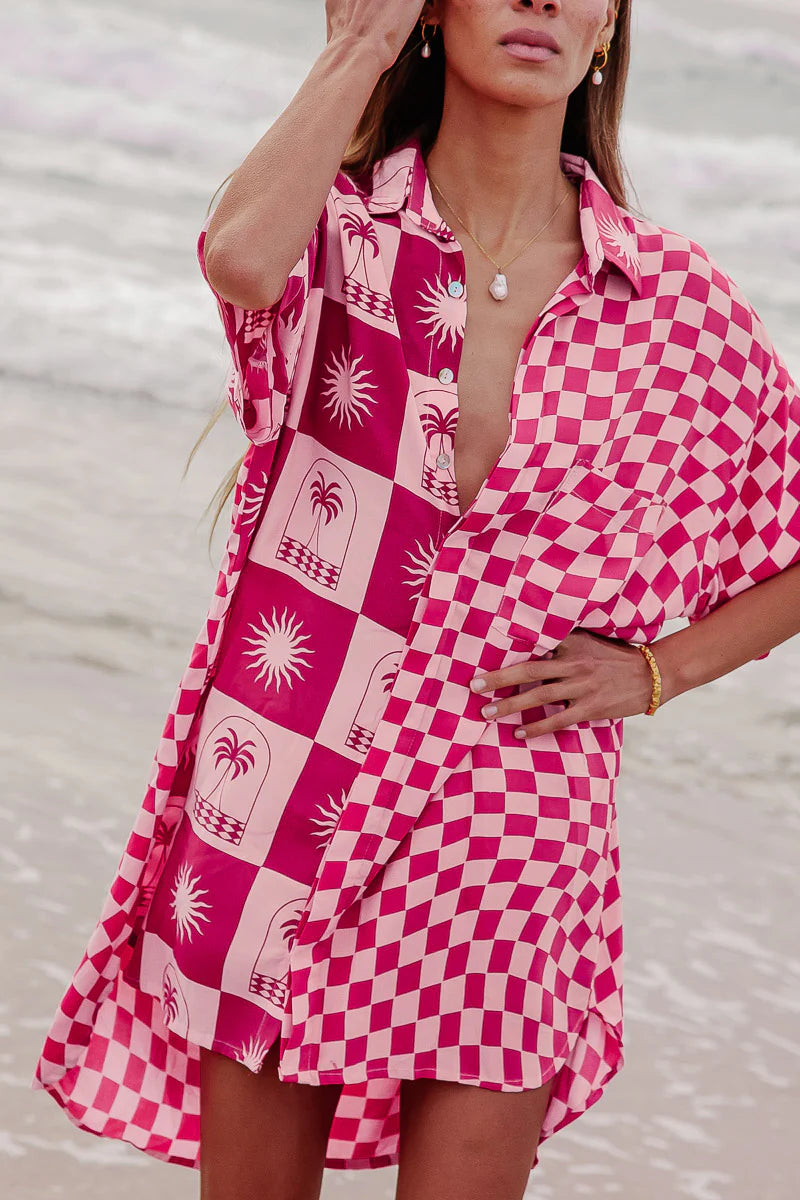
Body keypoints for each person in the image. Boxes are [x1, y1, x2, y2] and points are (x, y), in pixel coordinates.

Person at [32, 2, 800, 1199]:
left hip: (510, 811)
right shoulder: (335, 233)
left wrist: (656, 671)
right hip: (284, 777)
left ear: (606, 30)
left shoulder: (667, 304)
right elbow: (236, 259)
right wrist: (355, 48)